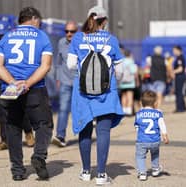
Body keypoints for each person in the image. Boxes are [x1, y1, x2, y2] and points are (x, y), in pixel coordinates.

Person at [0, 7, 53, 181]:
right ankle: (39, 155)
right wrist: (28, 83)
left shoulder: (5, 38)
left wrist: (13, 82)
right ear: (34, 19)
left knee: (13, 128)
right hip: (35, 88)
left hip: (10, 90)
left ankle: (18, 170)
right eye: (39, 21)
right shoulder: (42, 36)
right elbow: (45, 66)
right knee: (44, 125)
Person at [67, 6, 125, 185]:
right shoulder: (111, 39)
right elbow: (120, 70)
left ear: (89, 19)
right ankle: (101, 175)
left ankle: (85, 171)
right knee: (103, 131)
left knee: (85, 129)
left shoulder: (78, 37)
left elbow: (70, 65)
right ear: (104, 21)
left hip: (82, 90)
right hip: (106, 91)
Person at [0, 34, 35, 151]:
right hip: (0, 81)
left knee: (20, 107)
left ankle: (28, 132)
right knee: (2, 111)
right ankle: (4, 140)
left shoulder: (17, 42)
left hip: (15, 79)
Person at [52, 21, 78, 147]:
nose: (69, 34)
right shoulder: (61, 42)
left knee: (79, 110)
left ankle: (84, 135)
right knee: (63, 109)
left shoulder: (82, 43)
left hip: (79, 82)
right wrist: (58, 78)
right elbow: (58, 62)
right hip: (65, 81)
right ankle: (60, 136)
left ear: (76, 32)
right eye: (66, 31)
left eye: (72, 31)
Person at [134, 90, 169, 181]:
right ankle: (155, 169)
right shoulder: (158, 113)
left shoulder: (138, 114)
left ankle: (142, 173)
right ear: (155, 103)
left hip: (142, 140)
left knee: (140, 156)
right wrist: (164, 135)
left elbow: (137, 127)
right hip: (155, 140)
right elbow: (162, 124)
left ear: (141, 103)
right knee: (155, 154)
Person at [118, 49, 137, 116]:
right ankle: (129, 111)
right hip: (130, 82)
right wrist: (137, 80)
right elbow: (134, 72)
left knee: (123, 96)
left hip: (122, 82)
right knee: (130, 96)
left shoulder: (122, 61)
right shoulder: (131, 61)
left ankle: (124, 110)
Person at [172, 45, 186, 113]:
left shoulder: (180, 58)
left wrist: (173, 72)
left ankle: (179, 108)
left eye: (174, 50)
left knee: (178, 92)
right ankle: (183, 107)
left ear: (178, 50)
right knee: (180, 92)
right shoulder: (179, 57)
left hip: (180, 76)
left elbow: (180, 69)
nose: (173, 52)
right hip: (180, 76)